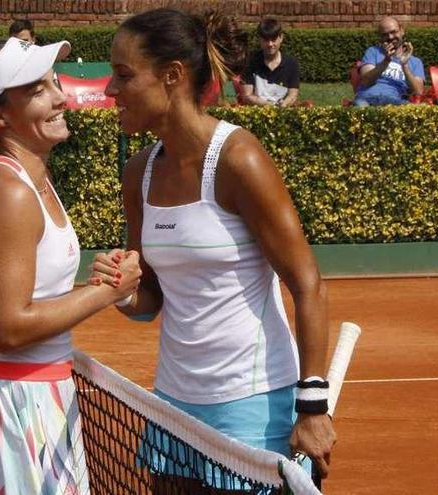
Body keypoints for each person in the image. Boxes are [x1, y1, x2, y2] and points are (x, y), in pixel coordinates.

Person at [95, 7, 336, 488]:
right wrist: (123, 291)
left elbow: (307, 283)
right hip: (174, 405)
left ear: (172, 76)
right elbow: (151, 301)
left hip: (253, 410)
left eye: (124, 75)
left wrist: (311, 407)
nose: (109, 90)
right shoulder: (137, 173)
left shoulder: (238, 158)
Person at [0, 37, 141, 493]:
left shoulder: (34, 180)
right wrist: (107, 292)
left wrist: (95, 281)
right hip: (13, 411)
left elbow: (34, 294)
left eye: (52, 82)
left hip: (41, 398)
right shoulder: (9, 192)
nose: (60, 96)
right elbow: (9, 328)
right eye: (37, 90)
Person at [353, 16, 424, 106]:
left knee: (420, 108)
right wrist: (385, 61)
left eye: (393, 32)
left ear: (402, 31)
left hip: (394, 101)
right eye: (385, 34)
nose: (390, 37)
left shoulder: (415, 62)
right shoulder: (373, 52)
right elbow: (366, 81)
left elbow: (419, 92)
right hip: (368, 98)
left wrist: (405, 65)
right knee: (361, 108)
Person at [241, 18, 301, 107]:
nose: (270, 44)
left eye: (273, 39)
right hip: (256, 111)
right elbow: (247, 96)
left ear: (281, 38)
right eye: (266, 40)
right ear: (260, 40)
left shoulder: (292, 64)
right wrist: (268, 105)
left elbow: (293, 95)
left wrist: (284, 104)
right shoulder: (249, 62)